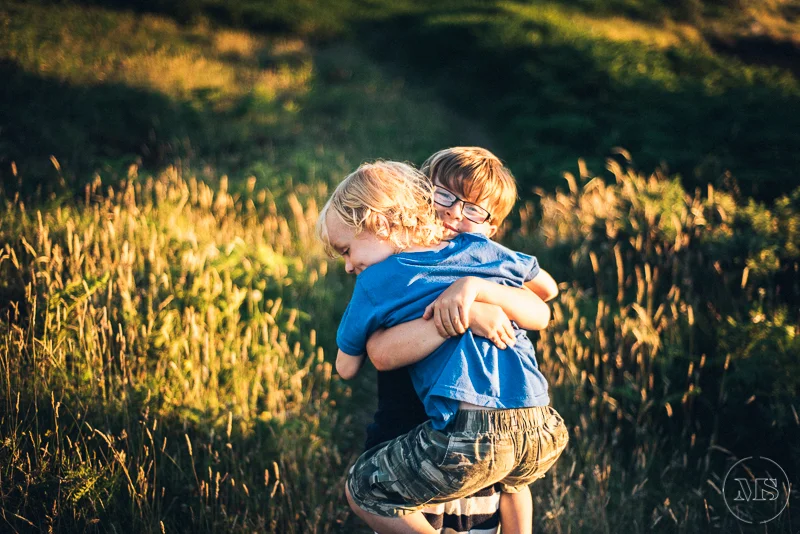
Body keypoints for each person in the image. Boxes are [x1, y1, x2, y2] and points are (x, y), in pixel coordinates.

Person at [317, 160, 568, 534]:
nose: (453, 213)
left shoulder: (378, 281)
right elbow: (546, 289)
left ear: (381, 223)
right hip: (543, 428)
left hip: (469, 435)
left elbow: (347, 366)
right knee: (512, 483)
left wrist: (475, 293)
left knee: (363, 488)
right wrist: (472, 304)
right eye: (443, 197)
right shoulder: (482, 251)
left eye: (347, 251)